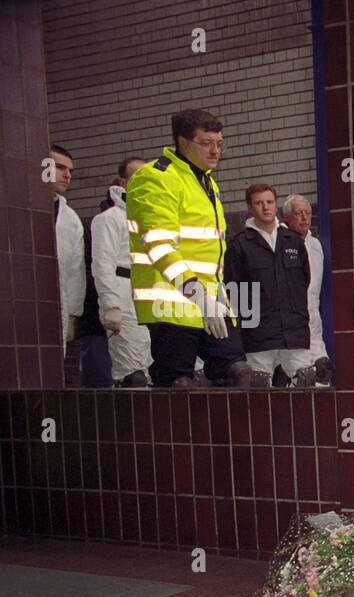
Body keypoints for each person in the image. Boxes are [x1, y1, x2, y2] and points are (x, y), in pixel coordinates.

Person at [127, 109, 251, 387]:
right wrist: (197, 294)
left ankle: (225, 431)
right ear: (182, 143)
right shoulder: (158, 177)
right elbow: (158, 245)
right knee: (178, 383)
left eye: (219, 143)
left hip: (211, 298)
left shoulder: (206, 181)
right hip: (170, 299)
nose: (215, 151)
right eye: (206, 143)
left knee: (238, 371)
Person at [225, 184, 313, 388]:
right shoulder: (240, 245)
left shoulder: (293, 241)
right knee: (258, 386)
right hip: (258, 334)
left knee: (306, 381)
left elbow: (304, 281)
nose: (266, 207)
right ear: (250, 207)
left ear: (276, 205)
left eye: (270, 202)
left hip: (294, 331)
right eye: (259, 203)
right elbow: (233, 291)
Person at [91, 156, 151, 386]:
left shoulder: (153, 220)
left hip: (153, 303)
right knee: (132, 376)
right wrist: (110, 306)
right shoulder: (109, 219)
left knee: (156, 373)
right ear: (123, 182)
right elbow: (102, 264)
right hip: (124, 302)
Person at [282, 194, 332, 385]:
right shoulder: (281, 243)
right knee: (303, 377)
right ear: (287, 216)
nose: (304, 217)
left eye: (308, 213)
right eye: (298, 213)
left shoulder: (315, 245)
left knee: (323, 370)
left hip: (314, 321)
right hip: (290, 324)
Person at [50, 145, 87, 382]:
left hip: (57, 301)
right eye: (60, 167)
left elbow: (76, 270)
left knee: (51, 370)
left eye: (70, 170)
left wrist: (73, 314)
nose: (67, 175)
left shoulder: (70, 219)